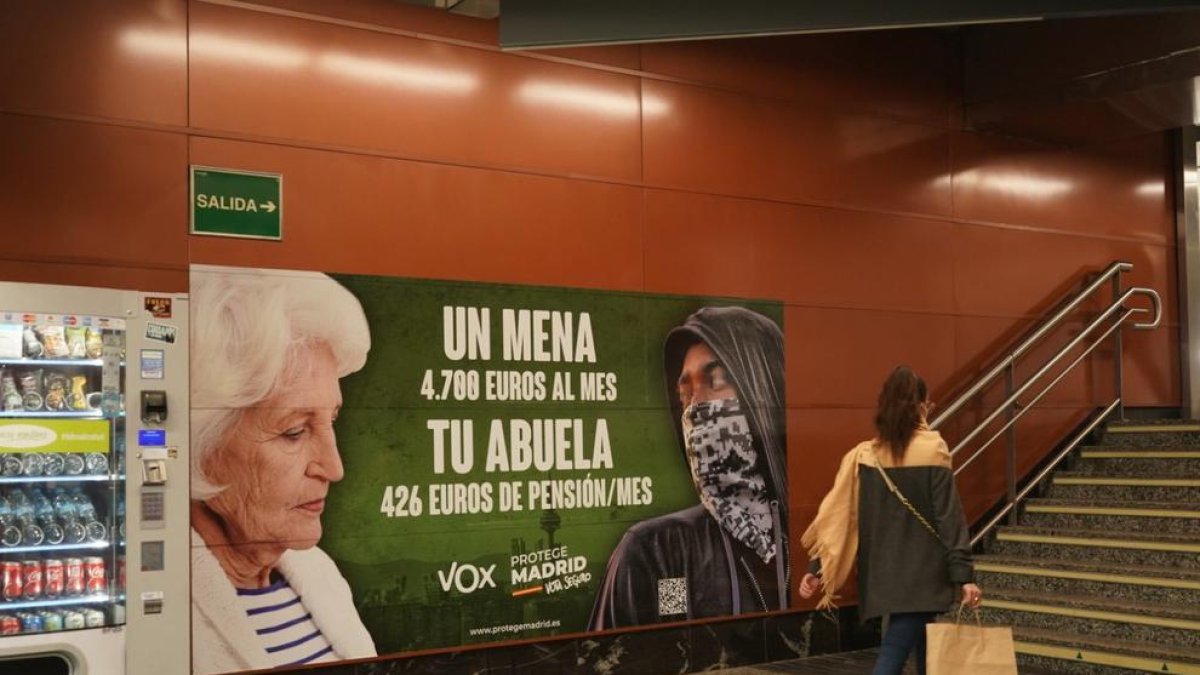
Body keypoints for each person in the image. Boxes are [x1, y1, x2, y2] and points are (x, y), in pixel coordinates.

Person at [189, 265, 377, 674]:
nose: (334, 467)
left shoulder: (318, 573)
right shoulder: (160, 613)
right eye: (294, 431)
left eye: (332, 421)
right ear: (201, 445)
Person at [589, 306, 789, 629]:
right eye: (685, 394)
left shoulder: (819, 537)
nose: (696, 408)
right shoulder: (660, 554)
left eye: (718, 380)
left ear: (765, 387)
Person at [798, 366, 982, 675]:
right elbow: (949, 518)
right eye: (929, 405)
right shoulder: (933, 450)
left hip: (883, 576)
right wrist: (964, 575)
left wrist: (819, 567)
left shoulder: (865, 457)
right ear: (922, 407)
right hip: (924, 575)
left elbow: (841, 519)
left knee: (927, 649)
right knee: (894, 654)